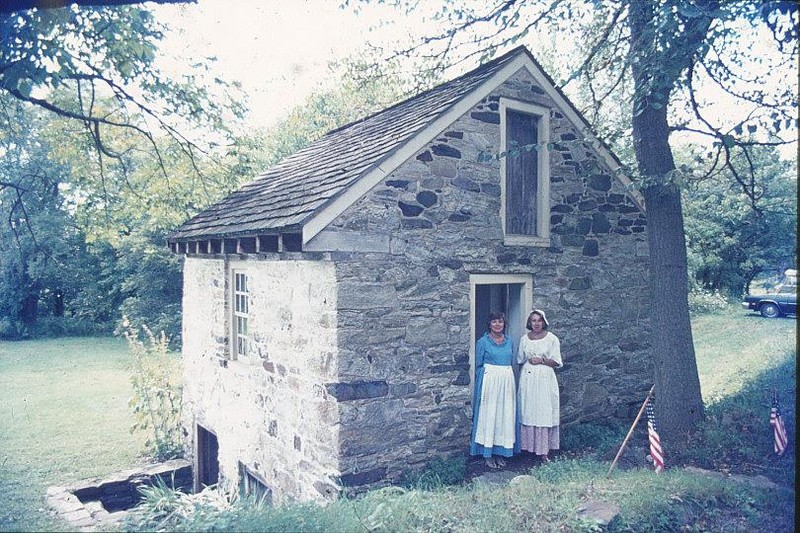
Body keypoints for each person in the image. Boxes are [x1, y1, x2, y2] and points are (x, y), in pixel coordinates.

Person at [470, 311, 518, 469]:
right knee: (489, 416)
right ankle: (487, 454)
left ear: (504, 324)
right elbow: (478, 366)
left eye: (500, 322)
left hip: (505, 383)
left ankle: (500, 452)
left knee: (504, 416)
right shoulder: (483, 342)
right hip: (490, 383)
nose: (498, 325)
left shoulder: (509, 341)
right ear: (489, 324)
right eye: (494, 322)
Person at [517, 309, 562, 462]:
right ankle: (527, 448)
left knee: (543, 410)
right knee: (529, 410)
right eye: (533, 321)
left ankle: (544, 451)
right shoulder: (524, 339)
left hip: (545, 378)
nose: (536, 323)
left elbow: (556, 361)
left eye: (539, 320)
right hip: (528, 378)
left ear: (544, 322)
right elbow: (520, 359)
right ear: (529, 323)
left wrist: (542, 361)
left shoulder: (552, 339)